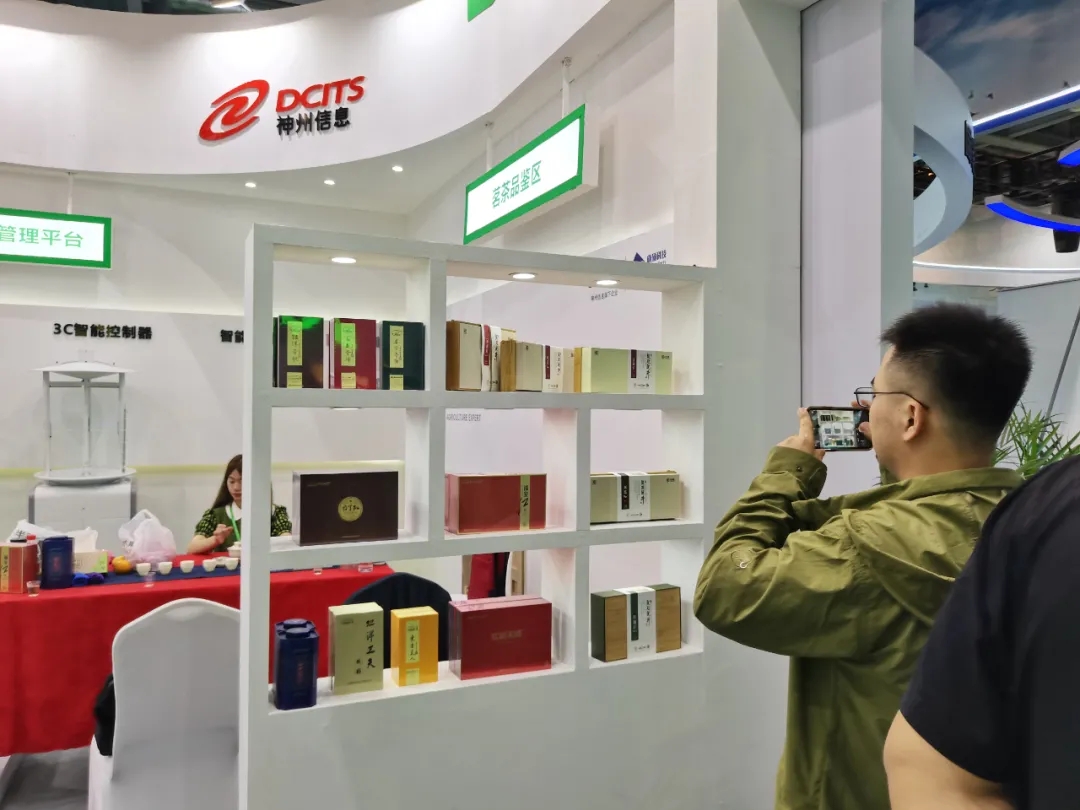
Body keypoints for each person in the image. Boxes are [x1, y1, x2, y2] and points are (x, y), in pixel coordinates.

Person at [693, 303, 1032, 810]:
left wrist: (785, 473)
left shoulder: (867, 546)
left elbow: (724, 587)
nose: (865, 411)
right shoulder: (1027, 521)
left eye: (874, 396)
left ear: (911, 416)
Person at [885, 456, 1080, 810]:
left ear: (912, 425)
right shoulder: (1021, 512)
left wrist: (791, 469)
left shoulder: (1040, 514)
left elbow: (756, 583)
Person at [188, 454, 292, 553]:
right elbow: (192, 548)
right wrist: (215, 539)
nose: (236, 487)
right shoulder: (216, 515)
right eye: (232, 481)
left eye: (242, 481)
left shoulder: (274, 512)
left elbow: (287, 542)